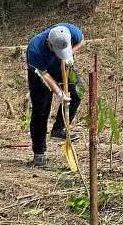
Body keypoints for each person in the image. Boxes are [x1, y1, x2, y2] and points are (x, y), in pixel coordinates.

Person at [25, 23, 84, 167]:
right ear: (48, 43)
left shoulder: (68, 30)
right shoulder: (34, 49)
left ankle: (59, 129)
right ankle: (39, 153)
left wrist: (70, 54)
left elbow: (82, 40)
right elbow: (44, 75)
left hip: (62, 64)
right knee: (41, 111)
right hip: (40, 74)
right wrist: (59, 93)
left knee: (77, 91)